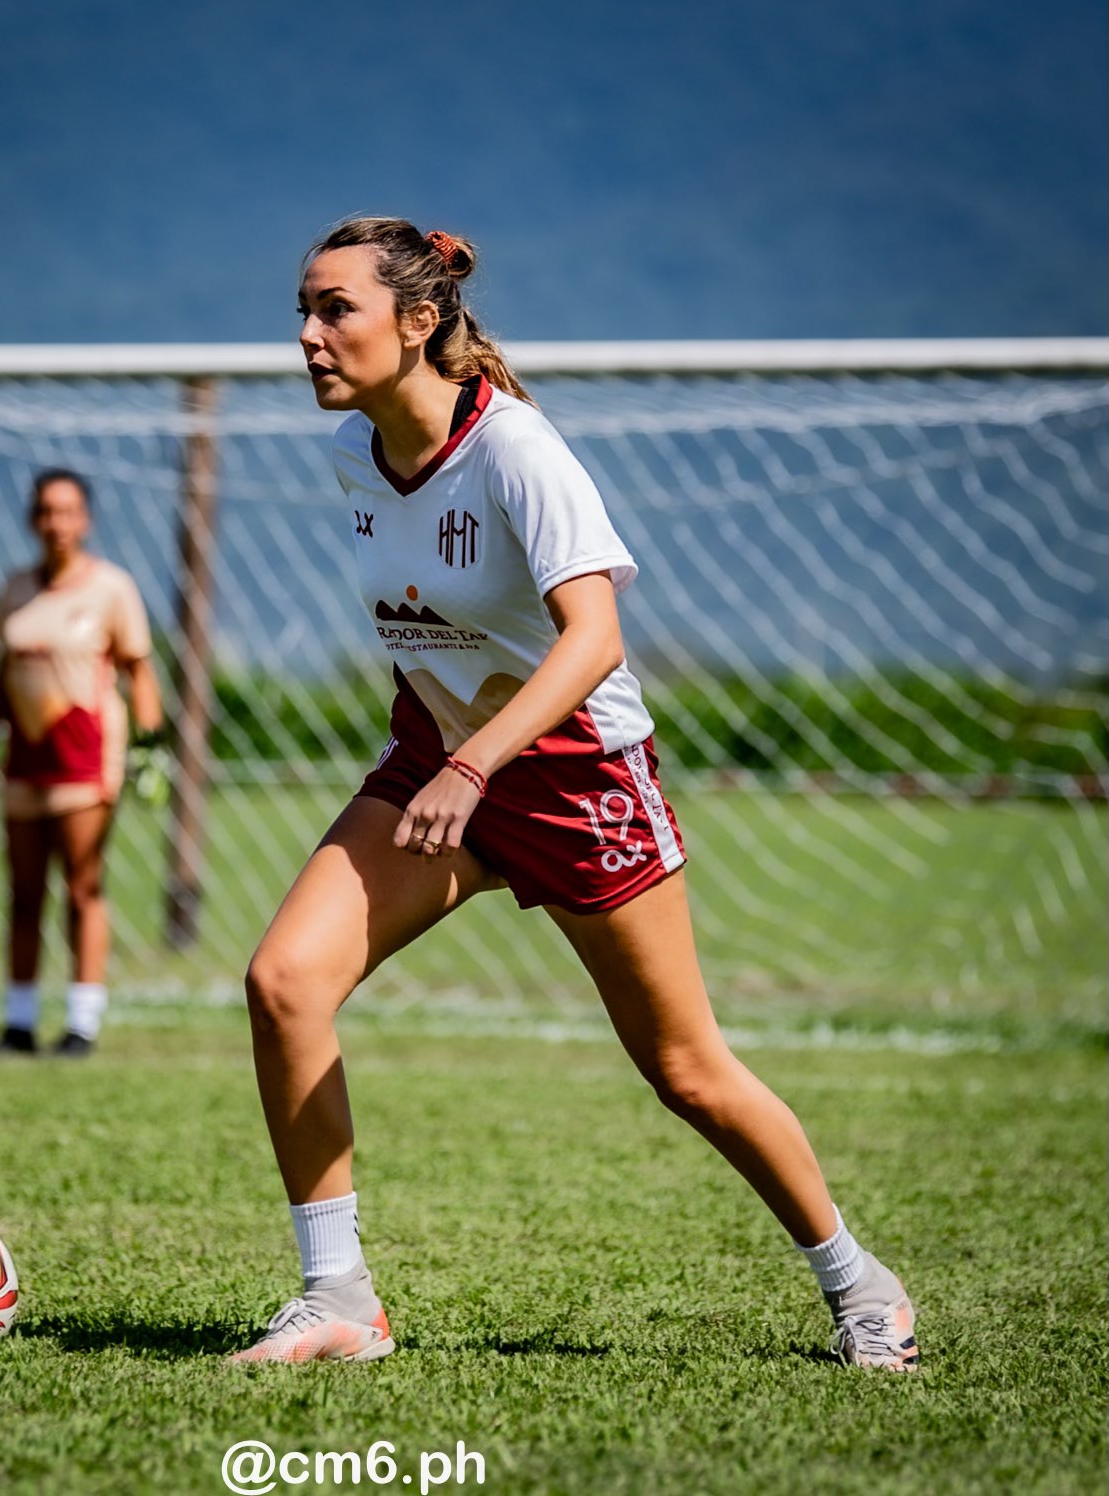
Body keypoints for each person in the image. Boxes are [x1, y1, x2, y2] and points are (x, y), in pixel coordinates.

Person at [232, 217, 918, 1369]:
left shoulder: (517, 450)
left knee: (685, 1070)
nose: (305, 334)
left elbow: (592, 636)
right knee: (283, 978)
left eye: (332, 309)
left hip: (570, 777)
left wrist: (474, 761)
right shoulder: (355, 451)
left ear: (416, 320)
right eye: (300, 309)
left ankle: (860, 1285)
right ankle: (338, 1298)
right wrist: (446, 755)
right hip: (436, 761)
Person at [0, 467, 165, 1057]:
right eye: (46, 510)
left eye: (67, 511)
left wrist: (149, 749)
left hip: (86, 759)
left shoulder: (111, 589)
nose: (56, 522)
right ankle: (18, 1025)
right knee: (22, 893)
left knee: (81, 888)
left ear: (86, 520)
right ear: (32, 518)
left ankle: (82, 1024)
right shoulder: (15, 590)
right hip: (24, 760)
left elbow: (138, 671)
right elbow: (4, 672)